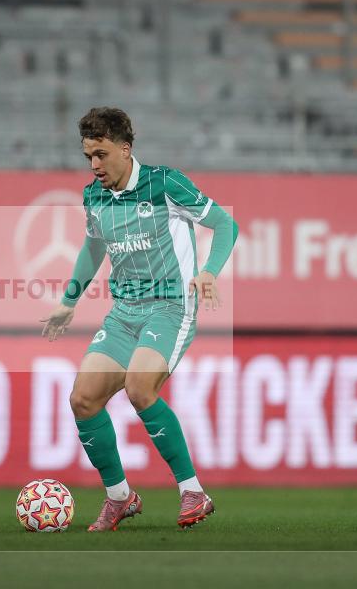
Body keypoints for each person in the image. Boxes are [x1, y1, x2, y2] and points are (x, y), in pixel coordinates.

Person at [40, 107, 238, 531]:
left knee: (139, 387)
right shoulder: (93, 196)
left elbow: (225, 224)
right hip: (124, 312)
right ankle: (120, 498)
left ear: (125, 149)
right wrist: (69, 300)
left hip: (171, 306)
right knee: (83, 399)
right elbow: (93, 248)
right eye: (88, 156)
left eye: (101, 154)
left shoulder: (164, 183)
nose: (94, 165)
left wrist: (208, 272)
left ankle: (193, 492)